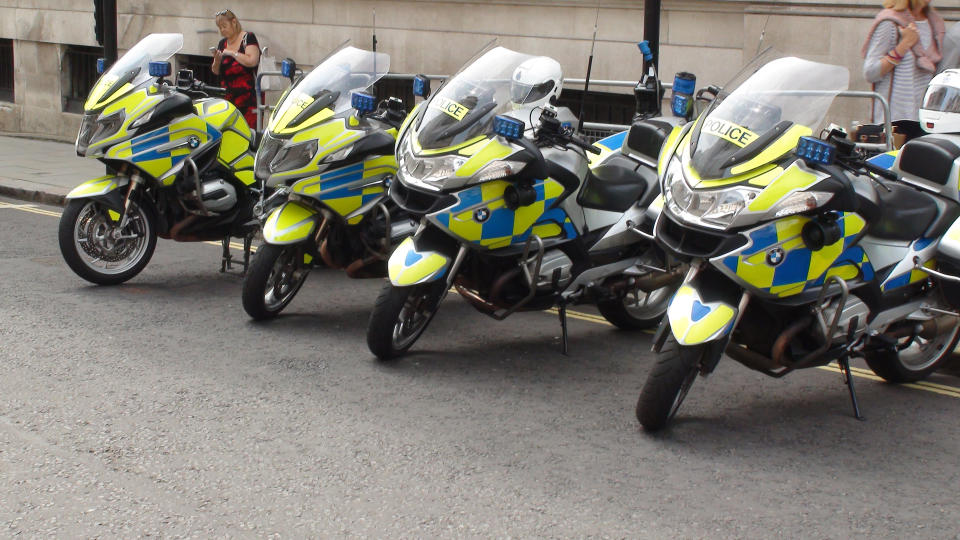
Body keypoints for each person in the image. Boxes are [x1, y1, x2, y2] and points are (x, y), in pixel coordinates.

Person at [862, 0, 946, 140]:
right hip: (894, 123)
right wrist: (905, 44)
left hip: (925, 122)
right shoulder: (890, 22)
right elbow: (870, 72)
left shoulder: (935, 24)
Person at [210, 9, 261, 130]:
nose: (222, 30)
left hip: (248, 98)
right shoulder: (222, 43)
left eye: (224, 26)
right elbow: (216, 71)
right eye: (220, 27)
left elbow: (252, 61)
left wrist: (233, 53)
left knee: (248, 131)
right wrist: (217, 60)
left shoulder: (248, 38)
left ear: (234, 22)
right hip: (228, 97)